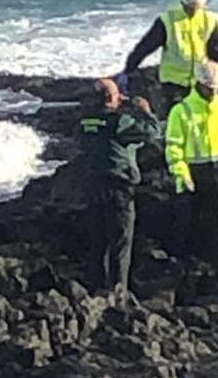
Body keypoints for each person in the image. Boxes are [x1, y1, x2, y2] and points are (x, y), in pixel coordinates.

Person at [79, 78, 161, 291]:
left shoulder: (85, 122)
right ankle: (118, 290)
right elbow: (152, 132)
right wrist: (143, 110)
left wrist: (116, 103)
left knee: (98, 240)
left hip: (92, 185)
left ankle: (96, 287)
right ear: (111, 98)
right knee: (120, 242)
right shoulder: (119, 122)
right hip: (119, 186)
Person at [165, 61, 218, 287]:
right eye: (210, 87)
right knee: (191, 224)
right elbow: (174, 146)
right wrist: (181, 174)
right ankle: (186, 271)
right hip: (195, 174)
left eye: (216, 88)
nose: (213, 92)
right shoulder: (182, 111)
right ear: (199, 83)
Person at [120, 0, 218, 114]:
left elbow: (214, 52)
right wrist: (128, 70)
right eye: (190, 6)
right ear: (182, 1)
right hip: (172, 84)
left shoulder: (210, 21)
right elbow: (144, 48)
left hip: (199, 83)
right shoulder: (168, 21)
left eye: (196, 6)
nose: (193, 9)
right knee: (175, 119)